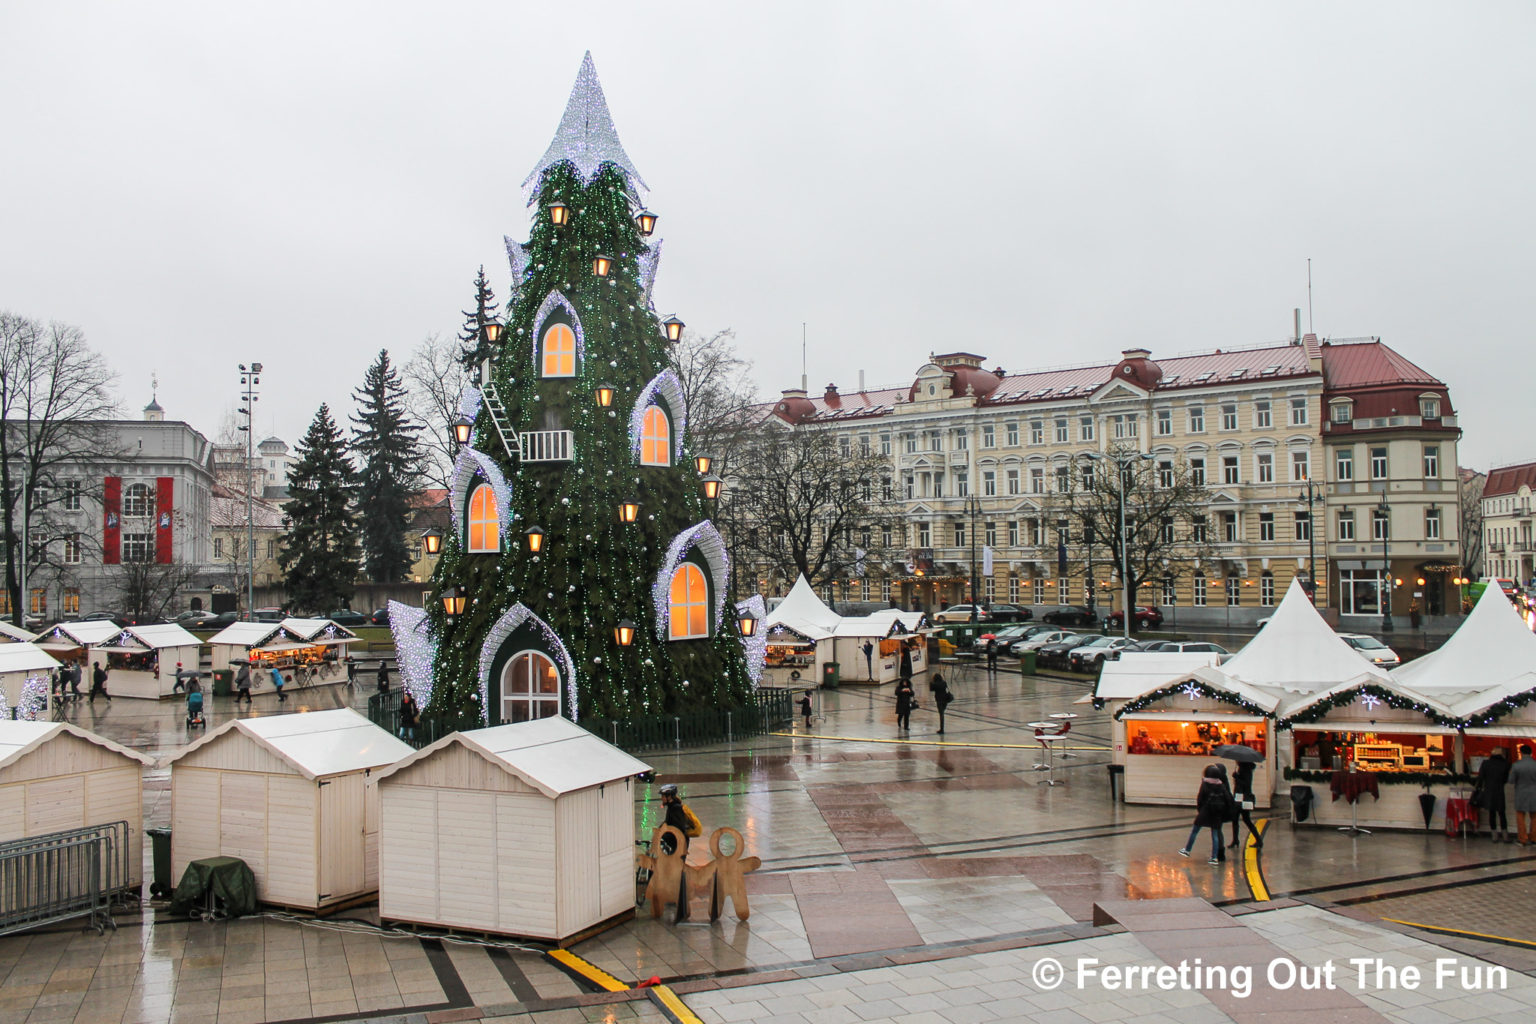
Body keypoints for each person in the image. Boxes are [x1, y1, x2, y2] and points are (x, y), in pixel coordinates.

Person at [1179, 764, 1234, 864]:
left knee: (1195, 830)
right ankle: (1214, 857)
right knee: (1215, 834)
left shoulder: (1205, 784)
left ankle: (1187, 849)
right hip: (1217, 813)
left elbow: (1200, 798)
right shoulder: (1221, 785)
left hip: (1205, 811)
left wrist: (1201, 810)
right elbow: (1228, 799)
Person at [1478, 746, 1512, 841]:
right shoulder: (1506, 764)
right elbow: (1505, 779)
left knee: (1491, 813)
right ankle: (1505, 835)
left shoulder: (1486, 763)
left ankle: (1494, 835)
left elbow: (1481, 777)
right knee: (1502, 813)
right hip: (1499, 790)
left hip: (1489, 790)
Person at [1228, 760, 1262, 849]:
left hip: (1242, 797)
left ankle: (1258, 840)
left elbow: (1246, 784)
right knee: (1237, 819)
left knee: (1245, 820)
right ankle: (1235, 839)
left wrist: (1236, 777)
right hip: (1241, 797)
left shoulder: (1245, 770)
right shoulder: (1245, 769)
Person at [658, 783, 699, 856]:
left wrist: (664, 835)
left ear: (669, 796)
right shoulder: (671, 807)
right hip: (675, 843)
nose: (662, 798)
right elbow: (668, 822)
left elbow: (678, 828)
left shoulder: (676, 808)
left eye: (663, 796)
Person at [1510, 745, 1536, 847]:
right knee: (1534, 817)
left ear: (1521, 753)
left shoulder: (1516, 765)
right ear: (1531, 753)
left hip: (1521, 793)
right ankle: (1534, 838)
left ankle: (1523, 839)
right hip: (1534, 794)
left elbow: (1511, 780)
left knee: (1520, 817)